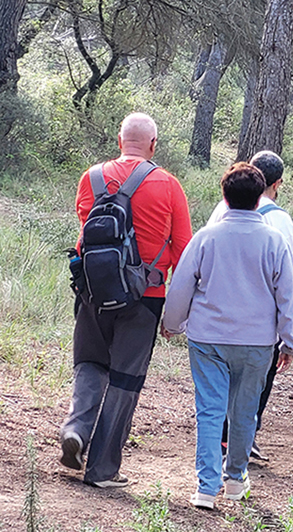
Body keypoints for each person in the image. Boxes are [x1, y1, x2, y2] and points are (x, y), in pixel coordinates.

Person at [59, 112, 192, 487]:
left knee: (89, 363)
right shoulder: (168, 185)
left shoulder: (92, 177)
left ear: (120, 142)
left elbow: (88, 230)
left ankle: (76, 429)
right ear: (153, 145)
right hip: (144, 297)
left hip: (93, 291)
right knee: (125, 380)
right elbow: (183, 253)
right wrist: (177, 314)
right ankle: (101, 470)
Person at [161, 162, 293, 509]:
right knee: (244, 411)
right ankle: (236, 479)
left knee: (209, 411)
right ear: (260, 198)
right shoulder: (275, 240)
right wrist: (290, 340)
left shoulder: (206, 237)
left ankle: (206, 488)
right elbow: (287, 295)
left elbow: (182, 286)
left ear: (224, 197)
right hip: (257, 342)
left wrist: (172, 323)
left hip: (208, 338)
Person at [207, 150, 293, 460]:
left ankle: (220, 440)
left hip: (218, 312)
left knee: (221, 378)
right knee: (256, 383)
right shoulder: (281, 220)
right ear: (276, 183)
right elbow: (285, 276)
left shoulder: (221, 209)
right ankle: (241, 439)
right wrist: (292, 327)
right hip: (261, 318)